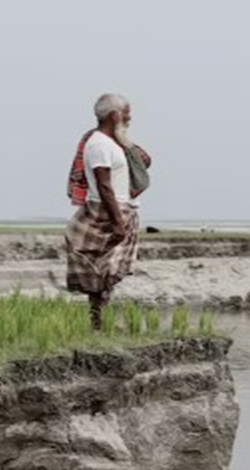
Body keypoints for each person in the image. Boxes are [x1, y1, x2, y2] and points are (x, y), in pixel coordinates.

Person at [64, 93, 151, 330]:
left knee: (107, 272)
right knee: (102, 271)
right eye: (127, 115)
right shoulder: (100, 144)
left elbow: (142, 163)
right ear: (115, 115)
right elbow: (104, 185)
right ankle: (97, 323)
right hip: (110, 211)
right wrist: (117, 222)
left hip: (120, 209)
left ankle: (98, 324)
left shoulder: (112, 142)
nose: (129, 119)